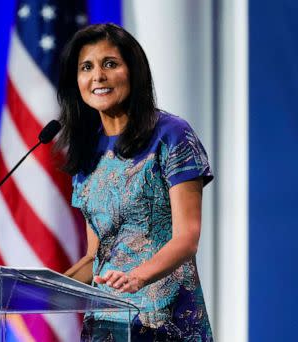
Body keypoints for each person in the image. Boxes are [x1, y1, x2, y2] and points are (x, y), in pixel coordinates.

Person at [58, 23, 214, 341]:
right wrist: (37, 288)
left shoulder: (172, 135)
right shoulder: (87, 151)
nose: (97, 76)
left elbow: (187, 237)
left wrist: (136, 277)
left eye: (110, 64)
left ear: (133, 71)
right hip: (106, 323)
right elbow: (95, 256)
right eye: (86, 67)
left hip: (165, 321)